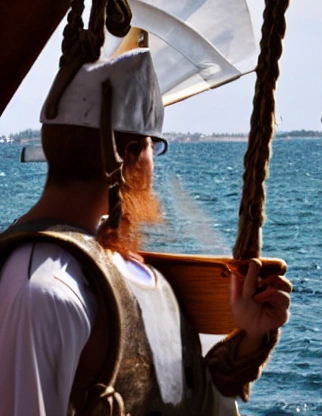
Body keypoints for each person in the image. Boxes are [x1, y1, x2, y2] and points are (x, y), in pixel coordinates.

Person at [0, 48, 291, 416]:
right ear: (130, 154)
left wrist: (249, 335)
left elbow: (181, 393)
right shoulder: (45, 292)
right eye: (154, 147)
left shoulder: (97, 268)